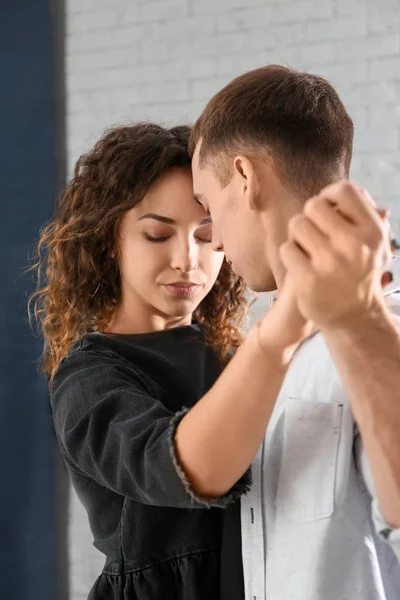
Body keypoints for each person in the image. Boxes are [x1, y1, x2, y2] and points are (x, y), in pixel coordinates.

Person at [30, 122, 318, 600]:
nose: (188, 259)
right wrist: (282, 328)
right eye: (157, 235)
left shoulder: (229, 355)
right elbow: (188, 470)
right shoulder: (88, 378)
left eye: (207, 237)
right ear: (108, 242)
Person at [190, 65, 400, 600]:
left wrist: (360, 324)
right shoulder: (273, 348)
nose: (212, 244)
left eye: (209, 208)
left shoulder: (384, 323)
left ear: (246, 177)